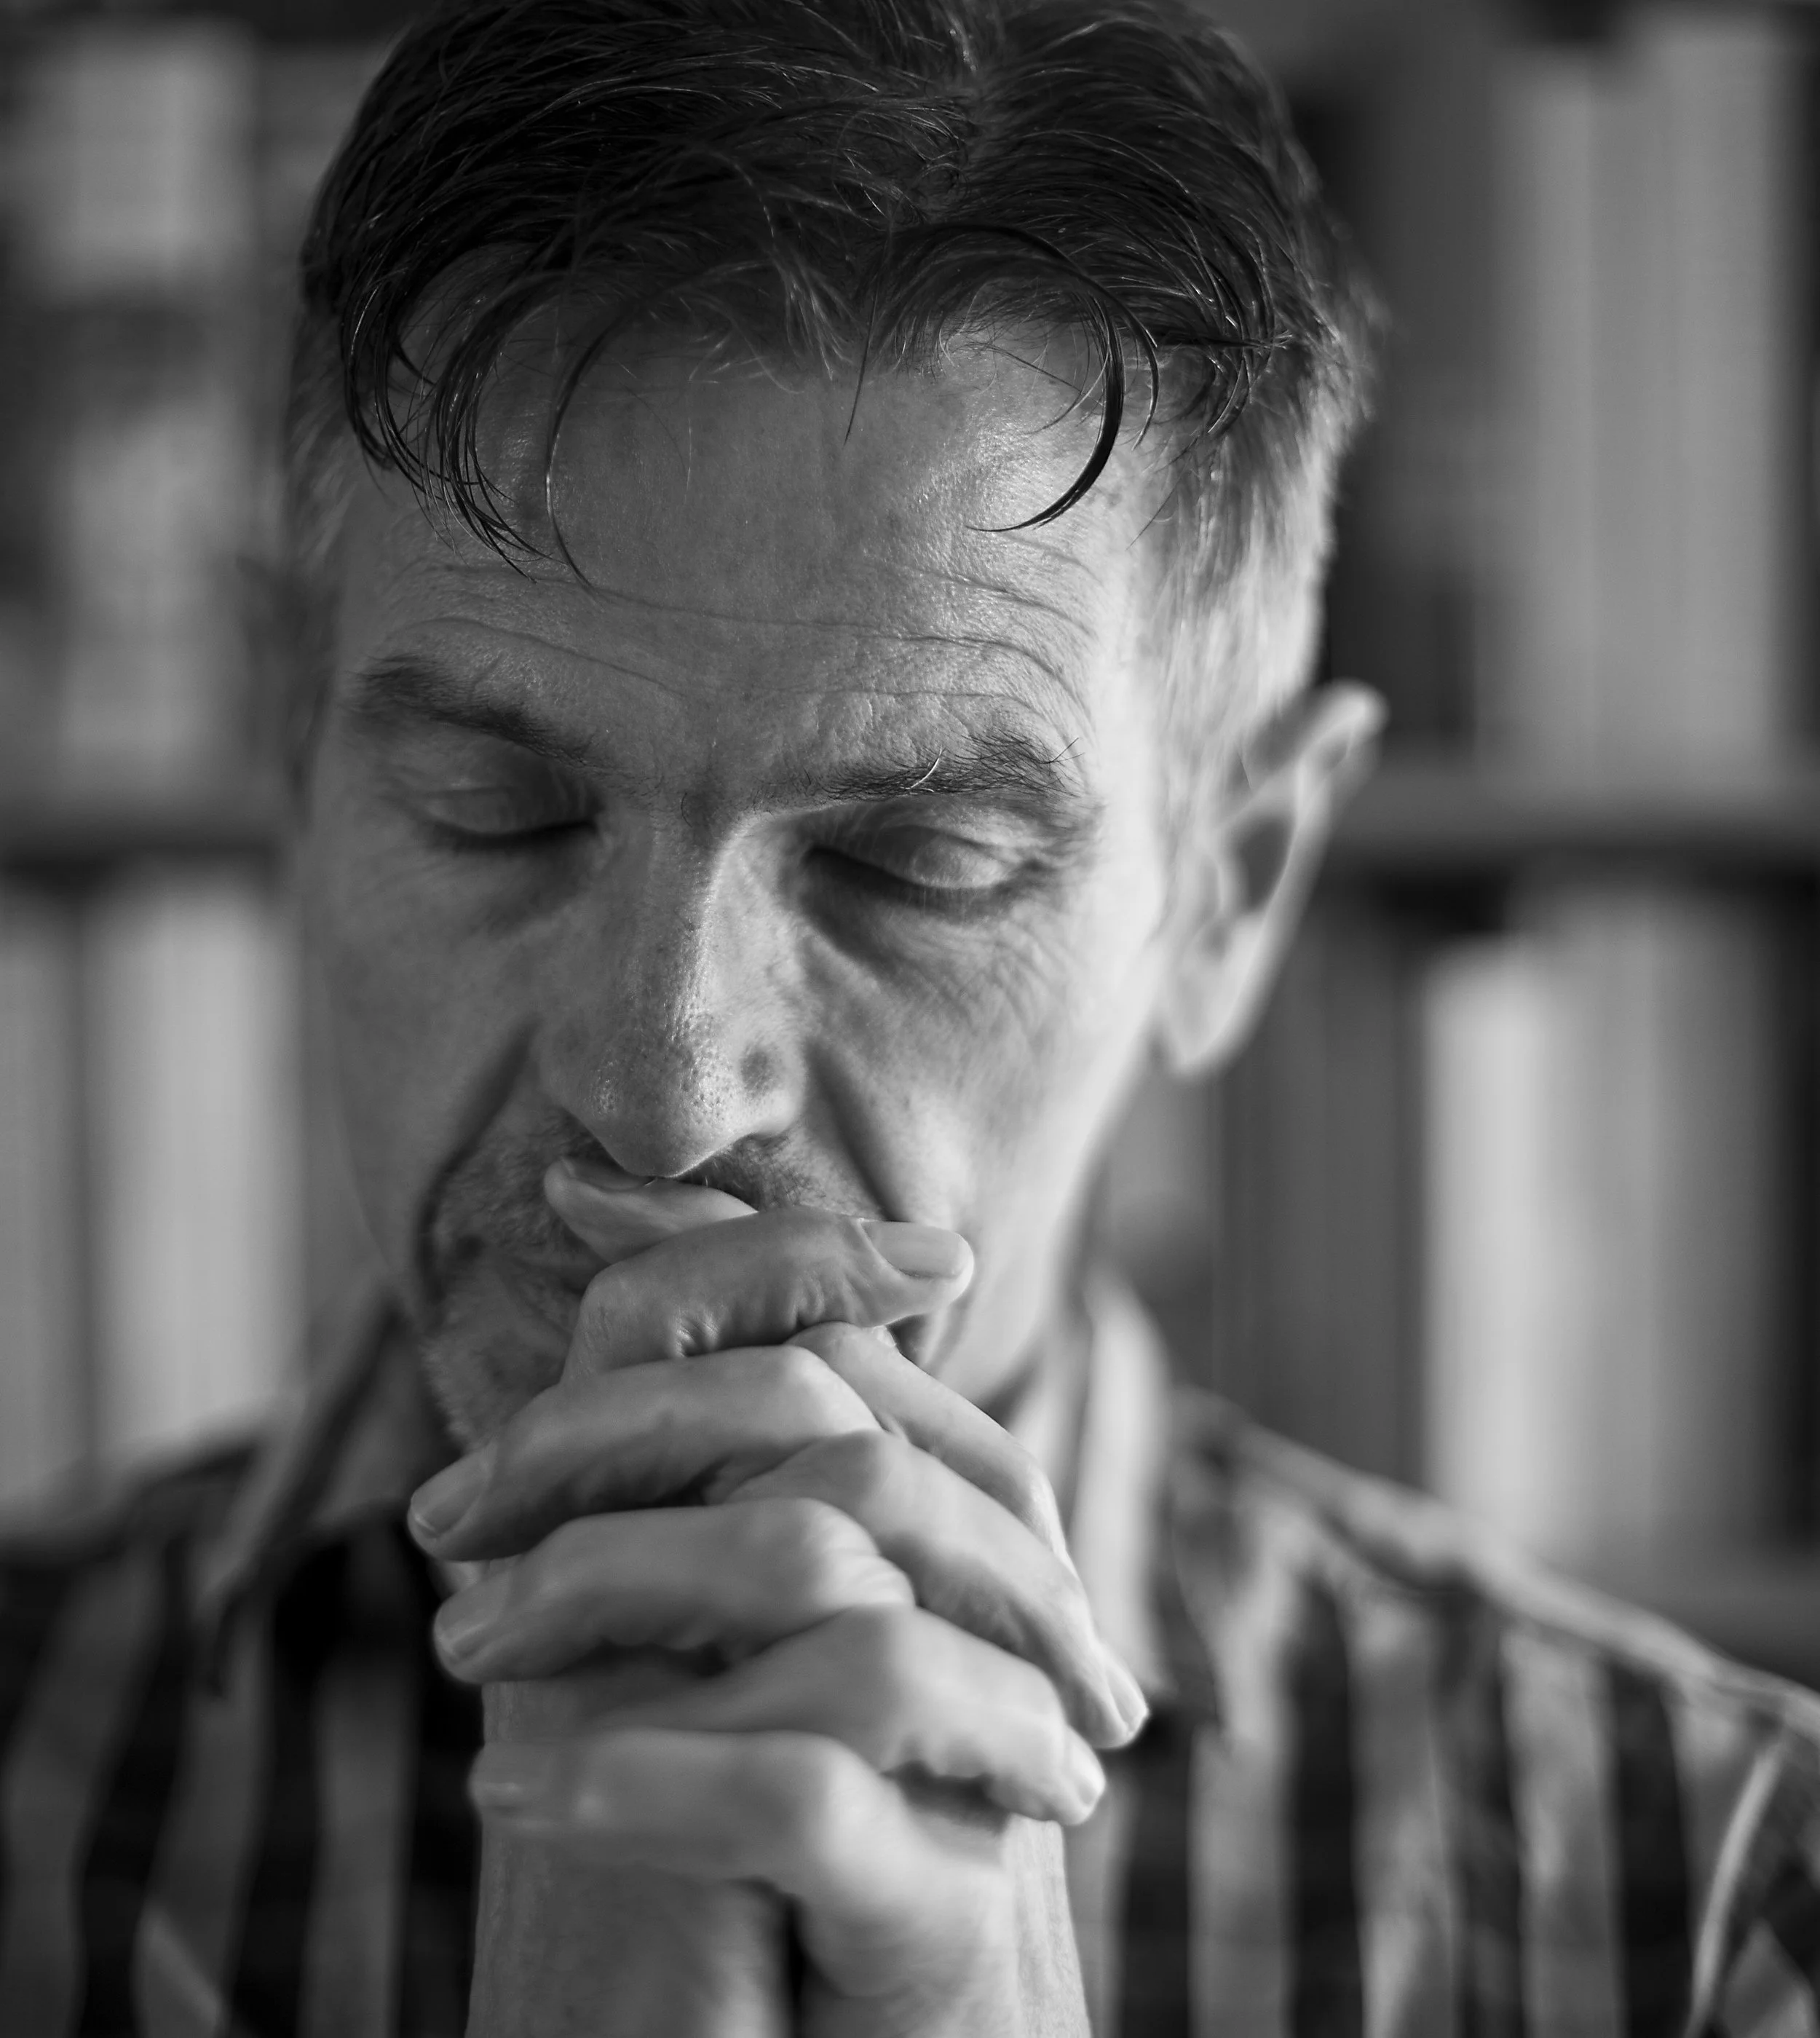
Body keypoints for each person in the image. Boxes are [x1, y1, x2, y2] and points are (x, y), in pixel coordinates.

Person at [4, 0, 1820, 2031]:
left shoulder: (1718, 1896)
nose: (663, 1092)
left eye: (910, 868)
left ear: (1233, 888)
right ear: (290, 751)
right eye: (494, 814)